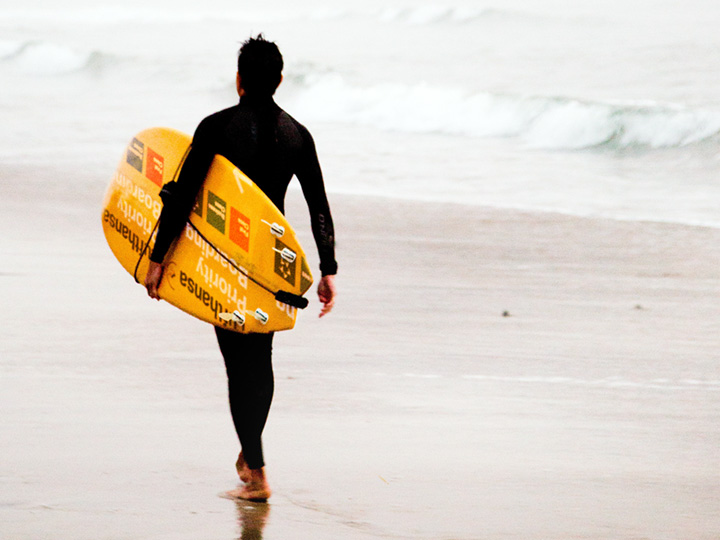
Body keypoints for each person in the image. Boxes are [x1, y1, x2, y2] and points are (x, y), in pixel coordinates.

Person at [144, 35, 338, 501]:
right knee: (261, 360)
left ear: (238, 80)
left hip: (225, 263)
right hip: (271, 265)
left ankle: (257, 472)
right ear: (279, 80)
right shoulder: (298, 135)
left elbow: (182, 194)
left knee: (237, 367)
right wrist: (328, 268)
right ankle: (250, 456)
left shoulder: (215, 127)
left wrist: (156, 258)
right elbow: (318, 208)